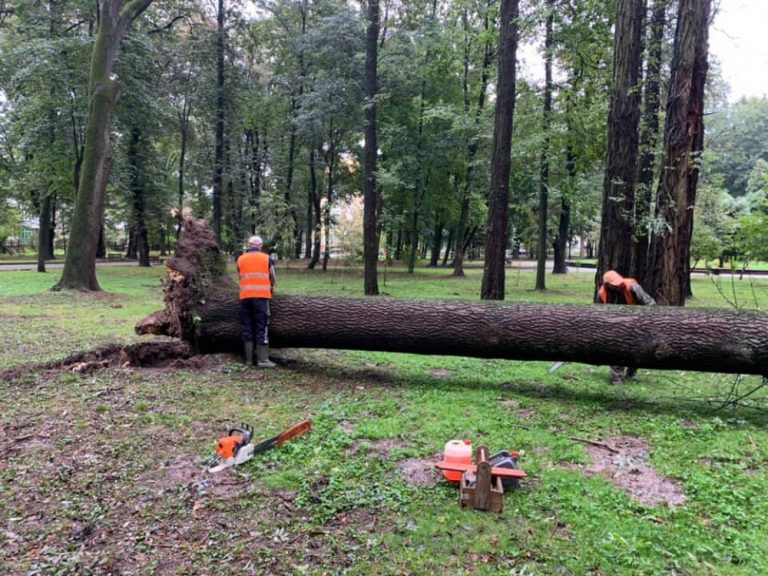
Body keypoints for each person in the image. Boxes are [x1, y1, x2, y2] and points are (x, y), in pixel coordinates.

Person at [597, 270, 655, 385]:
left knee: (637, 350)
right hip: (615, 325)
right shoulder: (602, 293)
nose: (617, 286)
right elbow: (599, 312)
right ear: (607, 285)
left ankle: (631, 374)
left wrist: (648, 320)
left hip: (635, 322)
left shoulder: (632, 287)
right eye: (613, 285)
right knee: (616, 350)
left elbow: (650, 303)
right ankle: (616, 378)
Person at [237, 235, 276, 368]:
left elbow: (240, 276)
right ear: (261, 245)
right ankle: (263, 360)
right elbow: (272, 276)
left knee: (247, 326)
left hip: (245, 296)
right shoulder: (266, 258)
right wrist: (271, 288)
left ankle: (248, 360)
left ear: (249, 245)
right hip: (261, 296)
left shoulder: (240, 259)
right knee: (261, 326)